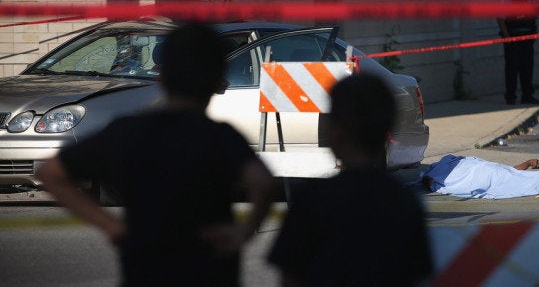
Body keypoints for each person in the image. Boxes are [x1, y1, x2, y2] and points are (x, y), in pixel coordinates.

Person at [35, 22, 278, 286]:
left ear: (161, 77)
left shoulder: (127, 131)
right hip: (210, 269)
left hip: (145, 268)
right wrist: (243, 232)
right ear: (219, 81)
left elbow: (51, 174)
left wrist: (111, 226)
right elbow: (264, 183)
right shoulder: (220, 136)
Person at [268, 74, 433, 287]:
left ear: (335, 131)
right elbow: (416, 274)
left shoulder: (310, 199)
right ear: (387, 132)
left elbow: (289, 277)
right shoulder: (405, 201)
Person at [413, 155, 539, 199]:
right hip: (481, 178)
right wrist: (429, 181)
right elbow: (429, 183)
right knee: (513, 180)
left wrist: (527, 164)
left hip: (490, 171)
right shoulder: (434, 174)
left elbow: (508, 170)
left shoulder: (453, 160)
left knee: (512, 176)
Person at [497, 0, 539, 105]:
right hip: (513, 39)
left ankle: (527, 95)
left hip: (527, 38)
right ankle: (510, 97)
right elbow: (500, 18)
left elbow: (533, 17)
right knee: (512, 69)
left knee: (527, 68)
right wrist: (507, 37)